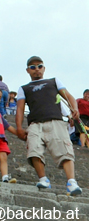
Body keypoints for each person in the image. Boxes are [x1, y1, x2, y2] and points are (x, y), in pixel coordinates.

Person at [16, 56, 82, 196]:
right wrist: (19, 128)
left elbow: (68, 96)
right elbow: (20, 109)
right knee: (34, 150)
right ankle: (43, 179)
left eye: (40, 66)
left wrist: (74, 108)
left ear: (44, 68)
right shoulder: (24, 88)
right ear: (28, 70)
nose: (37, 69)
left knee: (65, 150)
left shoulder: (54, 81)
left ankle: (71, 182)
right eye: (33, 67)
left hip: (55, 121)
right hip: (35, 123)